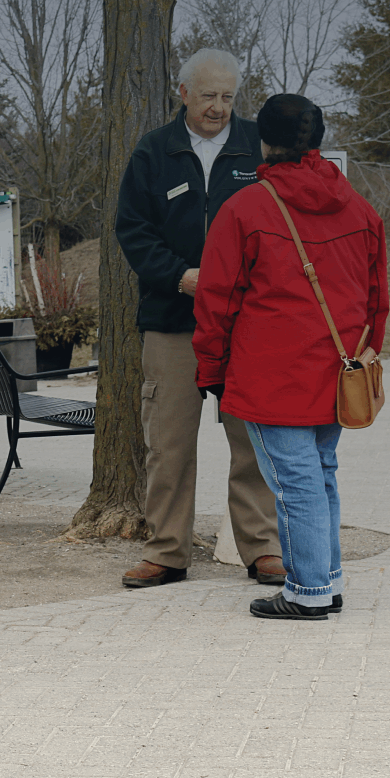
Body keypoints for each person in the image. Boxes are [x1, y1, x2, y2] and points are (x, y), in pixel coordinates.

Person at [191, 94, 389, 620]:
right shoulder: (359, 207)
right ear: (318, 140)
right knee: (320, 473)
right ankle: (328, 578)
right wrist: (367, 353)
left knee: (295, 483)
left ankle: (308, 592)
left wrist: (209, 369)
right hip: (338, 369)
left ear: (264, 141)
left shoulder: (245, 210)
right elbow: (377, 297)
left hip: (270, 376)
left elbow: (217, 299)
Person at [112, 49, 283, 588]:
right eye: (208, 95)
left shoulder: (260, 147)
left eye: (228, 97)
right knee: (168, 443)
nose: (218, 107)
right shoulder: (152, 153)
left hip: (247, 323)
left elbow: (284, 221)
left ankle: (262, 550)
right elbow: (133, 230)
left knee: (253, 440)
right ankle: (166, 551)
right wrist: (180, 277)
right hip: (171, 320)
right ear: (182, 93)